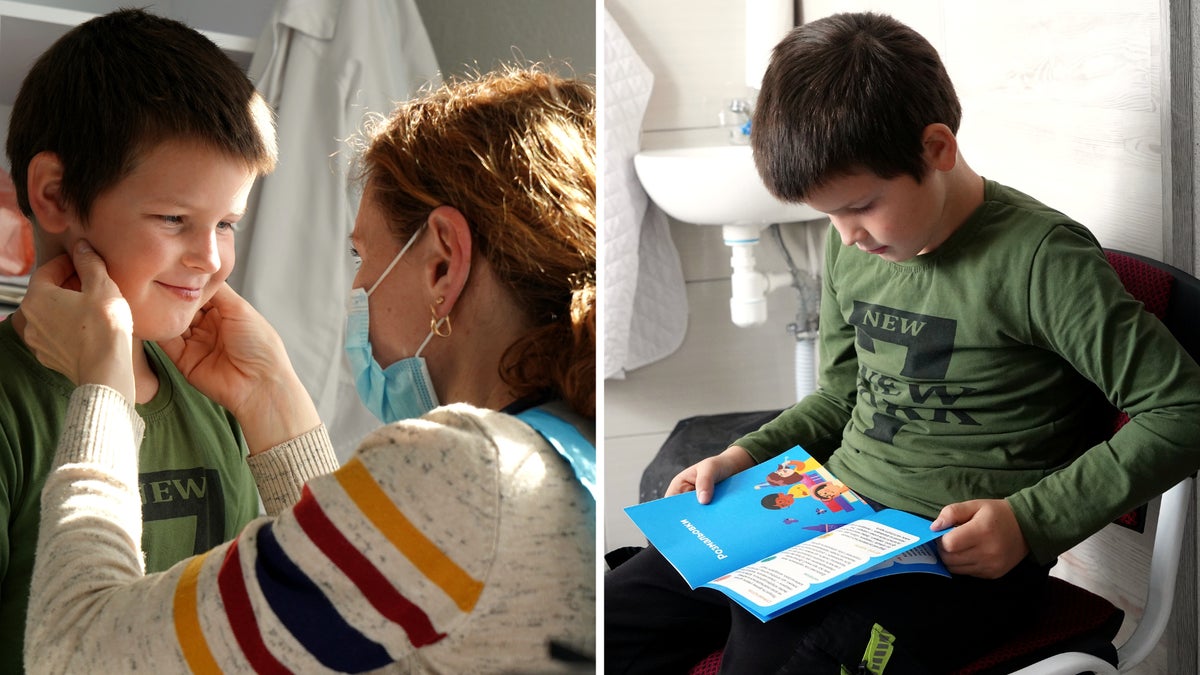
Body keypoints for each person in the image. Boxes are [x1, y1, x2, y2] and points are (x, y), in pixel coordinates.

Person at [605, 12, 1200, 674]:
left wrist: (1030, 523)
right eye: (828, 213)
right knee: (605, 619)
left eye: (860, 205)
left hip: (960, 559)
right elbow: (840, 396)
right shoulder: (853, 247)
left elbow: (1182, 410)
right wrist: (746, 454)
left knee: (781, 657)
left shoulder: (1042, 262)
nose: (846, 233)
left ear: (936, 149)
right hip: (825, 516)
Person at [20, 65, 596, 674]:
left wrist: (102, 390)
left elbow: (74, 654)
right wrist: (274, 403)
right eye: (172, 219)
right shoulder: (567, 446)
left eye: (362, 254)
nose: (359, 284)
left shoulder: (474, 472)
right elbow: (358, 618)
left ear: (441, 266)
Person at [0, 10, 296, 673]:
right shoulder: (9, 404)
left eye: (227, 223)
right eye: (174, 219)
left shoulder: (217, 391)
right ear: (54, 195)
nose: (211, 259)